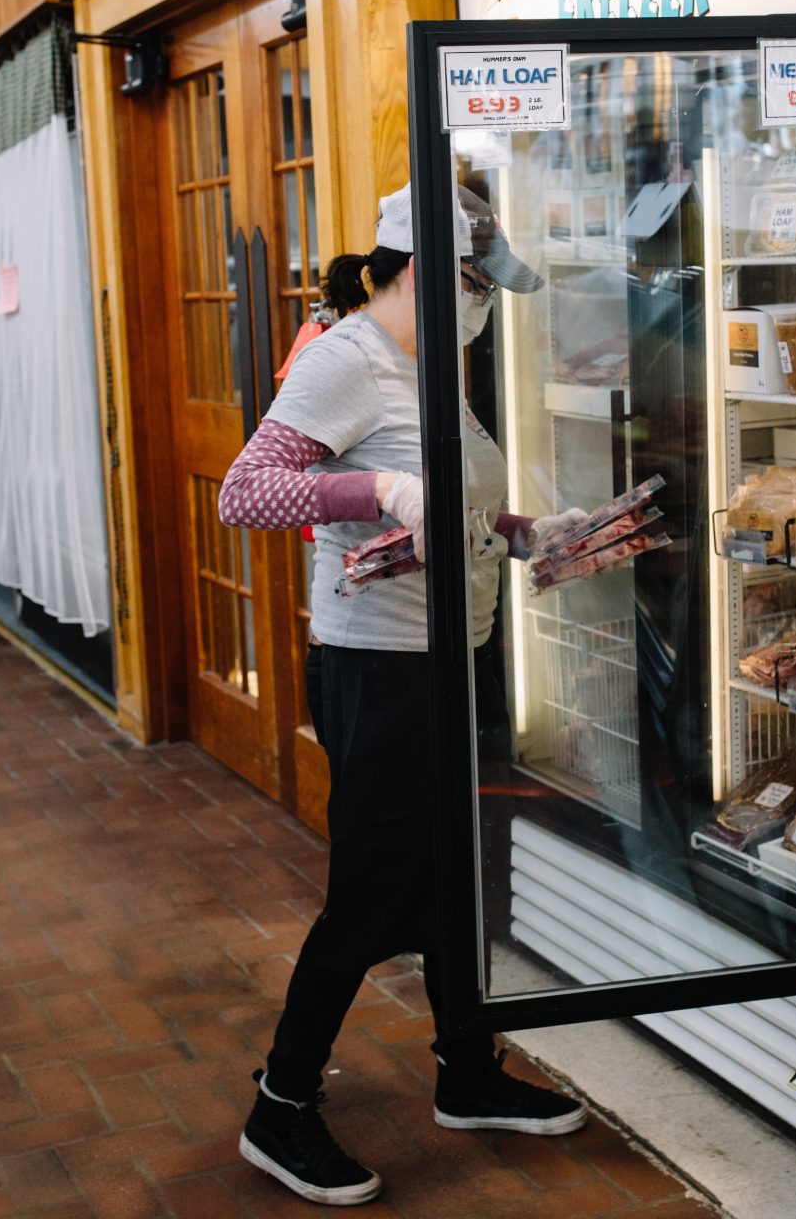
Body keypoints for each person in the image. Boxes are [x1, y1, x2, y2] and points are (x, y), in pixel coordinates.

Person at [217, 183, 591, 1207]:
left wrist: (522, 531)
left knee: (456, 876)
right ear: (422, 270)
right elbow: (243, 490)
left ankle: (467, 1072)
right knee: (376, 890)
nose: (484, 305)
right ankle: (281, 1102)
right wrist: (372, 491)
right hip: (378, 668)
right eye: (475, 283)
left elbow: (446, 491)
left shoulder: (429, 358)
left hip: (451, 649)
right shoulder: (346, 358)